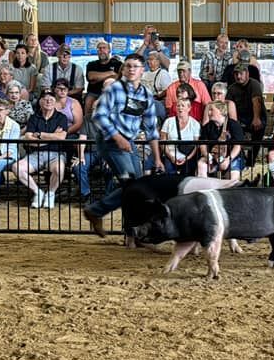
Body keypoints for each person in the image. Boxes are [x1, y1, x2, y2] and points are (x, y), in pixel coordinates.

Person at [83, 54, 162, 235]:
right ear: (123, 70)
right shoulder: (115, 89)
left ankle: (132, 231)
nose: (131, 69)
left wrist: (157, 158)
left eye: (135, 66)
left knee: (138, 187)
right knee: (133, 185)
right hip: (110, 141)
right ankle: (97, 211)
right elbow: (98, 115)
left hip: (128, 142)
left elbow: (151, 129)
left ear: (143, 70)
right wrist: (118, 137)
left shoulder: (146, 95)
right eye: (128, 66)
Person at [13, 89, 71, 209]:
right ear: (40, 102)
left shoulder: (61, 117)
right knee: (17, 167)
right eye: (45, 99)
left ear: (55, 102)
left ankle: (50, 194)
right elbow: (28, 137)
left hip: (56, 154)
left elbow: (61, 137)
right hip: (36, 154)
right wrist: (51, 137)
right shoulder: (34, 117)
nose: (48, 101)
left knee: (59, 169)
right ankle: (38, 192)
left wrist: (40, 135)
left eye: (51, 99)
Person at [199, 100, 246, 181]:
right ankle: (205, 189)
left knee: (233, 176)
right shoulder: (207, 126)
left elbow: (237, 146)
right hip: (213, 156)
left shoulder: (234, 125)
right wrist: (207, 155)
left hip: (233, 157)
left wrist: (228, 159)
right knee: (201, 164)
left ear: (220, 111)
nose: (209, 113)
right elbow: (202, 144)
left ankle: (230, 190)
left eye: (211, 110)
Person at [161, 95, 201, 176]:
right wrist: (171, 157)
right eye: (178, 105)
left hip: (188, 156)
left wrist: (187, 158)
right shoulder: (168, 121)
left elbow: (196, 145)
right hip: (170, 155)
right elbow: (163, 142)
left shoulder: (195, 124)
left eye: (183, 105)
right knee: (169, 176)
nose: (180, 108)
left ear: (189, 108)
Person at [226, 63, 265, 141]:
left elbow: (256, 101)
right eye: (236, 74)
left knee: (258, 131)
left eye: (241, 73)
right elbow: (228, 105)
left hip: (255, 114)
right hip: (240, 117)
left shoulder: (254, 84)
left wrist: (256, 118)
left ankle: (254, 152)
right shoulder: (231, 88)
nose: (238, 76)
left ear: (247, 74)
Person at [84, 40, 123, 112]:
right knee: (89, 100)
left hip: (112, 93)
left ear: (109, 50)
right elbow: (91, 77)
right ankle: (88, 122)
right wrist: (111, 73)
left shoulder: (118, 64)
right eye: (99, 48)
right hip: (94, 93)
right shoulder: (92, 64)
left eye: (104, 48)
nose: (101, 50)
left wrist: (97, 78)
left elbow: (119, 78)